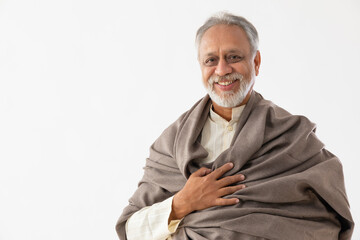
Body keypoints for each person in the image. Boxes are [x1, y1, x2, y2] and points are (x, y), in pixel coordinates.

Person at [116, 12, 354, 240]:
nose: (222, 70)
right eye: (211, 60)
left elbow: (326, 224)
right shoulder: (173, 142)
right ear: (200, 66)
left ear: (256, 62)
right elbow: (131, 231)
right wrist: (183, 203)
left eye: (234, 57)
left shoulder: (293, 138)